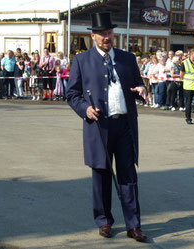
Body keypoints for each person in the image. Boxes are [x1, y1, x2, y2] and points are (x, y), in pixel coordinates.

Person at [66, 12, 148, 242]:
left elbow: (137, 84)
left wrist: (141, 90)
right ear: (92, 36)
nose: (107, 37)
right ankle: (103, 221)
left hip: (124, 125)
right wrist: (85, 109)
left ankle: (134, 225)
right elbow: (72, 94)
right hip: (98, 126)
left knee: (128, 177)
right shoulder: (81, 60)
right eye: (102, 34)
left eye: (109, 33)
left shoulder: (127, 58)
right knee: (101, 174)